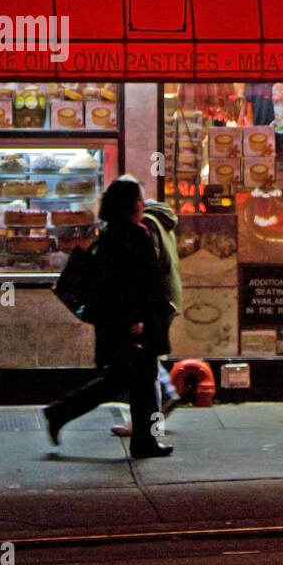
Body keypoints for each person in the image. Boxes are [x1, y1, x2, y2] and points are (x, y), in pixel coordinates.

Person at [44, 178, 173, 458]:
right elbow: (136, 283)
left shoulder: (110, 234)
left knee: (121, 379)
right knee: (141, 383)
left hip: (117, 322)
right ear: (135, 205)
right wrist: (138, 319)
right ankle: (144, 441)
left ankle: (60, 412)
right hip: (134, 324)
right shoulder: (134, 235)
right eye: (139, 199)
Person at [112, 186, 184, 437]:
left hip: (157, 301)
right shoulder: (161, 220)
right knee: (148, 360)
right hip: (167, 297)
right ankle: (165, 398)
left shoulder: (148, 225)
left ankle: (148, 424)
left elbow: (146, 268)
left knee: (146, 365)